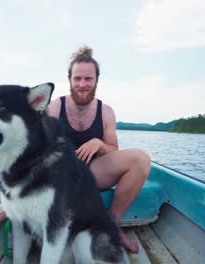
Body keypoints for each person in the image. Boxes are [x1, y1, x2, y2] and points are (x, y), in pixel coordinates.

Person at [47, 46, 151, 253]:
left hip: (93, 172)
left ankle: (111, 224)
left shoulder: (106, 112)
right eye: (77, 79)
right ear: (69, 79)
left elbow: (114, 152)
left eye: (88, 79)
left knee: (141, 159)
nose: (82, 85)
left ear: (96, 80)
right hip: (61, 176)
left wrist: (99, 144)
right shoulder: (55, 107)